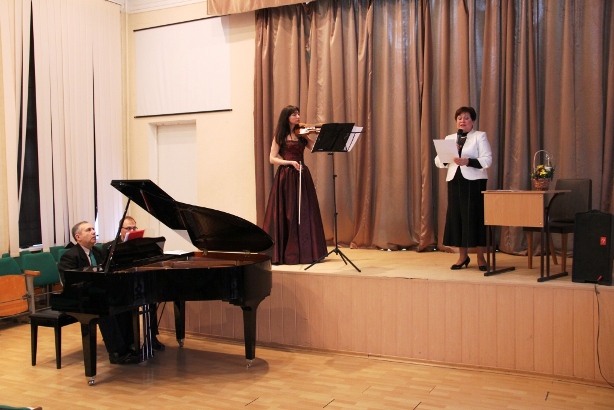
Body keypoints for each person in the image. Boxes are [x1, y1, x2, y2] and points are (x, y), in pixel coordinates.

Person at [58, 221, 140, 364]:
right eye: (88, 230)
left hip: (99, 294)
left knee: (125, 302)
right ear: (78, 237)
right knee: (105, 310)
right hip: (80, 299)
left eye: (93, 229)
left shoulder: (98, 252)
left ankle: (129, 344)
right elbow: (70, 283)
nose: (93, 232)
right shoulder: (70, 256)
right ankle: (116, 353)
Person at [263, 105, 327, 265]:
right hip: (286, 176)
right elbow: (272, 158)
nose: (298, 117)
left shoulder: (301, 134)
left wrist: (316, 135)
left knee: (304, 211)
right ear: (287, 117)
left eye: (298, 114)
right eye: (294, 114)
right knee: (288, 212)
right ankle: (286, 252)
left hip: (302, 175)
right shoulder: (280, 135)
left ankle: (306, 252)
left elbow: (315, 148)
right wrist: (289, 162)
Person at [434, 106, 492, 271]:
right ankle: (462, 256)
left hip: (474, 182)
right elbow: (438, 162)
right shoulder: (450, 138)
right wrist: (449, 154)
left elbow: (487, 160)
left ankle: (481, 257)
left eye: (466, 118)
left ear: (472, 121)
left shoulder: (479, 136)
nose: (462, 121)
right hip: (455, 181)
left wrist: (468, 161)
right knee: (458, 217)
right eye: (459, 118)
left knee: (476, 217)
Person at [104, 216, 165, 351]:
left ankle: (152, 337)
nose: (132, 231)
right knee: (125, 305)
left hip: (137, 282)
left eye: (134, 228)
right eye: (128, 228)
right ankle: (128, 341)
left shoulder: (140, 246)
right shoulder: (110, 247)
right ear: (120, 230)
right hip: (119, 286)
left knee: (152, 301)